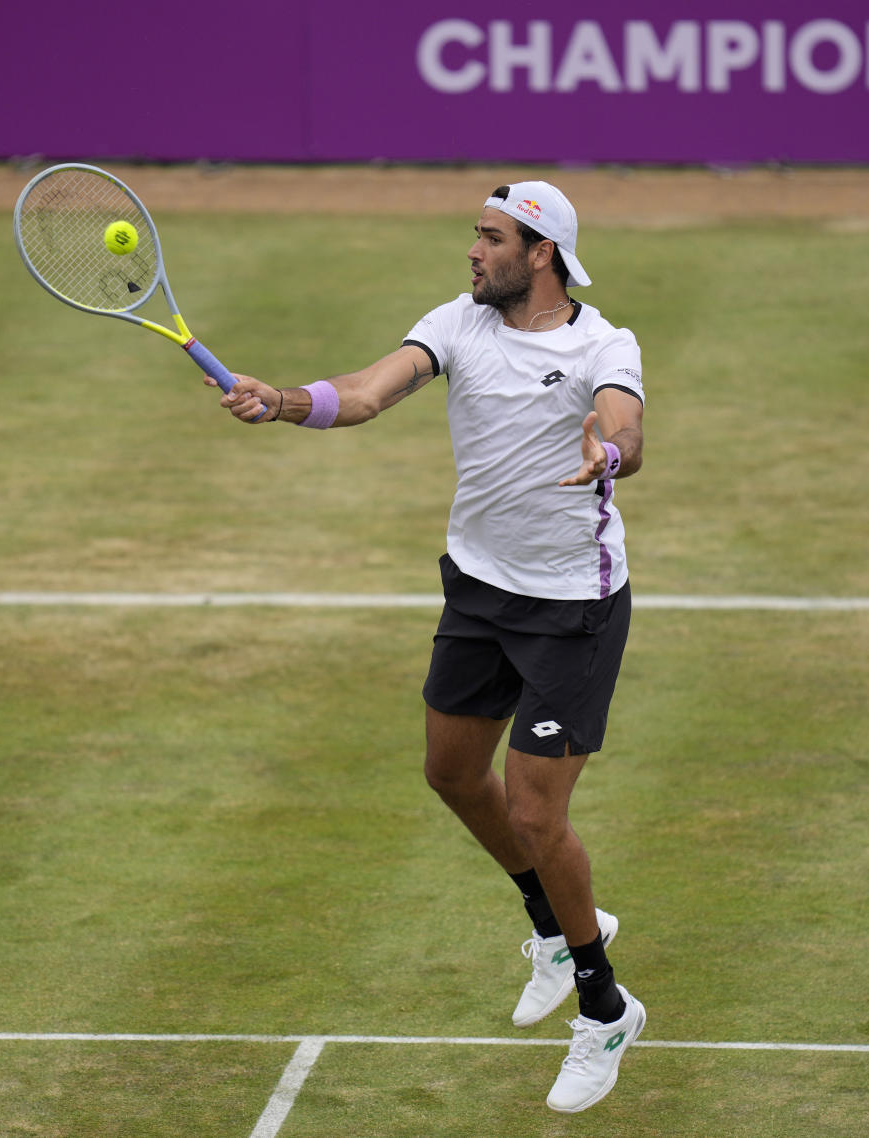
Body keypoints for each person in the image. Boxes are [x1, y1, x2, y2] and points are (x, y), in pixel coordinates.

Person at [208, 181, 646, 1114]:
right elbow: (366, 394)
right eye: (474, 236)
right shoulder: (459, 322)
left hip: (573, 604)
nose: (473, 252)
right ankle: (554, 922)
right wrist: (281, 400)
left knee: (535, 815)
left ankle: (604, 1005)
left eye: (491, 239)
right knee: (449, 773)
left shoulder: (603, 344)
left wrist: (606, 453)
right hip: (480, 588)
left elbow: (625, 426)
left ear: (542, 254)